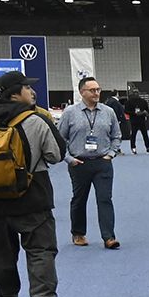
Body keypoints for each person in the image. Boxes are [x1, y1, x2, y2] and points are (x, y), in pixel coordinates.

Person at [0, 71, 65, 297]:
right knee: (41, 249)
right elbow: (56, 155)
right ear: (15, 93)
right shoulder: (36, 120)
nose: (32, 92)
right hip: (33, 193)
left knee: (2, 252)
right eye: (27, 87)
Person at [58, 76, 122, 250]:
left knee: (105, 199)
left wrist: (111, 154)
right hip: (79, 163)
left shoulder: (108, 112)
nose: (96, 93)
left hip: (103, 163)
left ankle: (109, 237)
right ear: (82, 92)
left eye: (98, 89)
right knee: (79, 199)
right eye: (92, 90)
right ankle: (78, 233)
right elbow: (60, 139)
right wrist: (69, 159)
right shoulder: (70, 113)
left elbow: (116, 135)